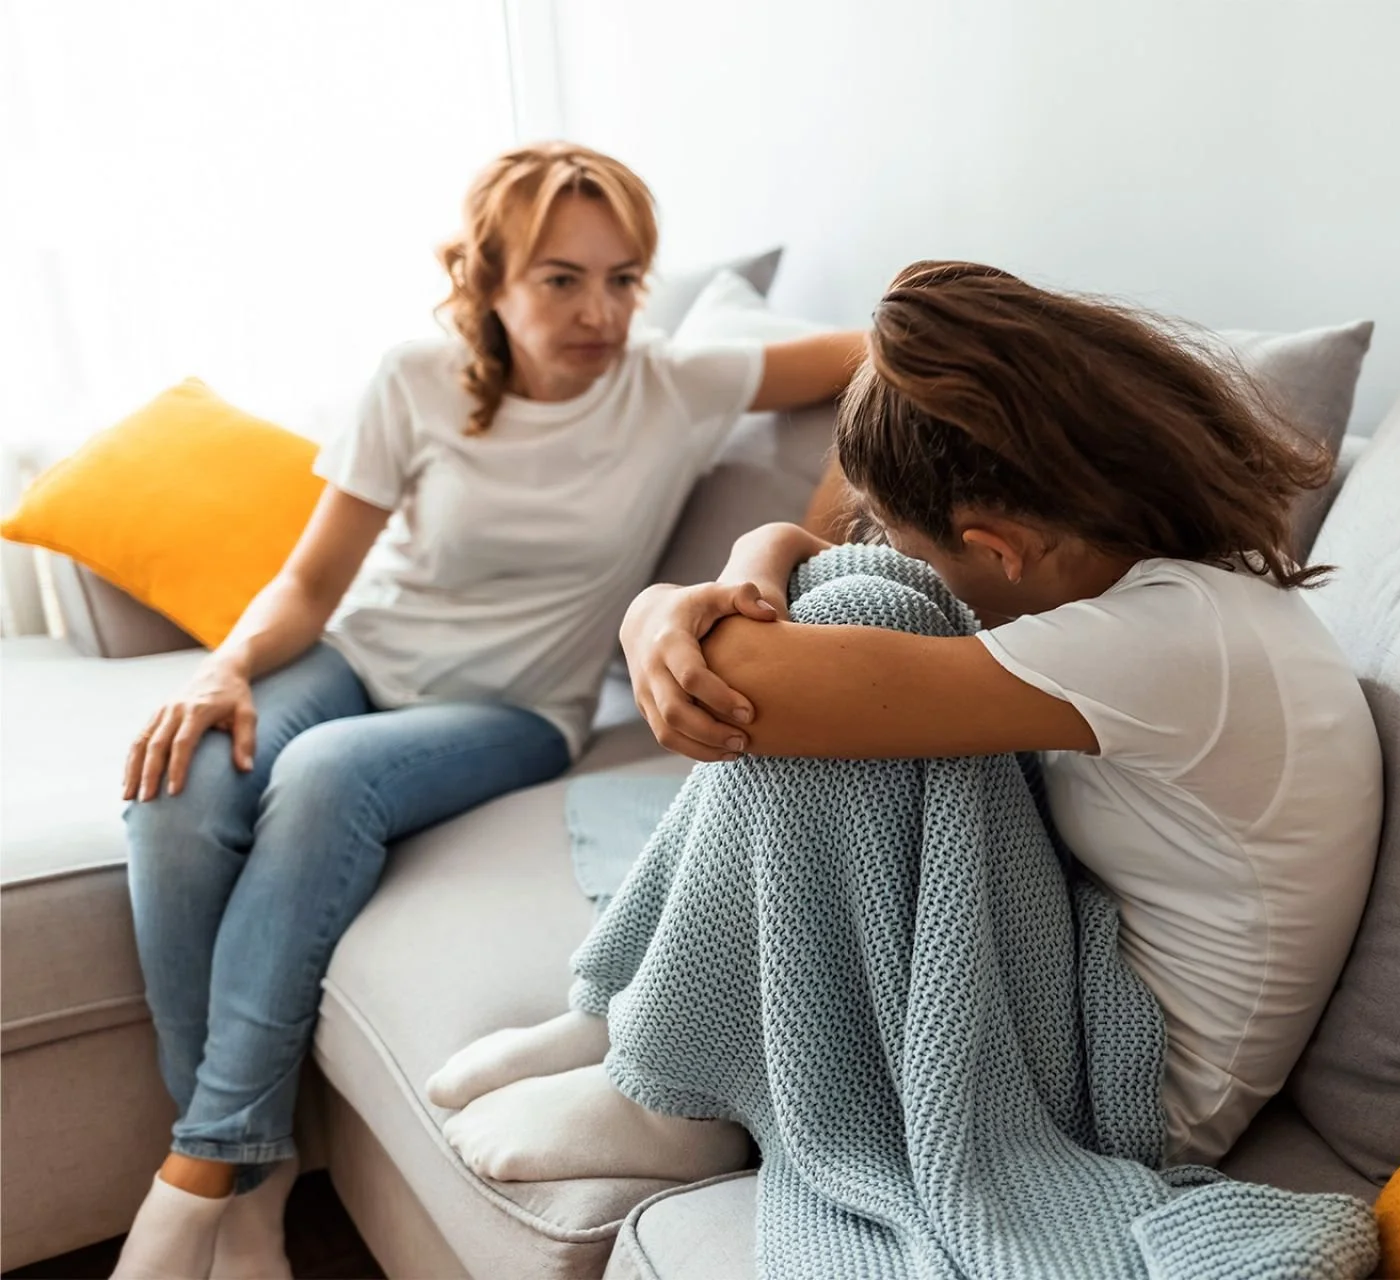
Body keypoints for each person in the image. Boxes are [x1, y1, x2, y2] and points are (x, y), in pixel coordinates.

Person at [427, 260, 1382, 1189]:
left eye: (909, 533)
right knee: (854, 593)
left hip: (1122, 1093)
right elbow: (816, 572)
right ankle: (627, 1013)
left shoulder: (1166, 644)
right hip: (1076, 984)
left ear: (999, 548)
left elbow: (758, 678)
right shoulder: (1160, 582)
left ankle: (674, 1101)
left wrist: (656, 613)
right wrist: (744, 575)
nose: (894, 549)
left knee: (858, 619)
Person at [112, 142, 865, 1280]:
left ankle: (201, 1175)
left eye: (623, 278)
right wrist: (226, 666)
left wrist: (817, 516)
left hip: (515, 706)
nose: (600, 311)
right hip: (361, 654)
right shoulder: (414, 378)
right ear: (488, 281)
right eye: (561, 278)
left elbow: (892, 352)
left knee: (323, 777)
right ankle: (258, 1191)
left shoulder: (680, 382)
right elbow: (314, 585)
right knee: (180, 782)